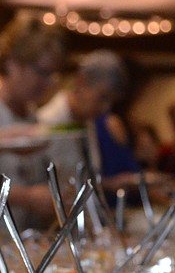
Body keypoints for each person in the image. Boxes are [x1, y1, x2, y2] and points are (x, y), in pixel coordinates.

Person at [0, 11, 65, 233]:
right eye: (42, 72)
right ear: (12, 63)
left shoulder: (29, 111)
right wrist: (27, 198)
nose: (47, 83)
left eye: (52, 74)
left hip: (12, 243)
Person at [37, 49, 129, 190]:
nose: (106, 108)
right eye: (102, 97)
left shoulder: (87, 122)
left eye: (111, 101)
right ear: (81, 82)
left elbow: (85, 179)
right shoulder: (48, 121)